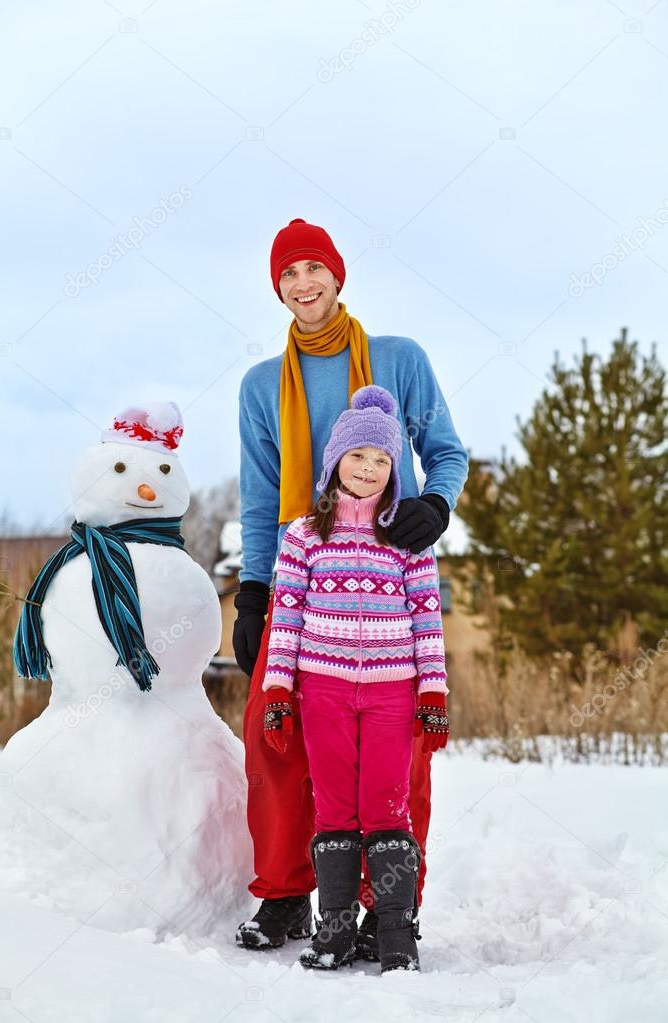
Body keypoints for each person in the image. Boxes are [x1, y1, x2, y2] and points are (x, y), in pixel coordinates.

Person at [234, 218, 468, 958]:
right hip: (304, 581)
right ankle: (286, 893)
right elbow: (259, 493)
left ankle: (390, 904)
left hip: (388, 585)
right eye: (289, 274)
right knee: (274, 741)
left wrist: (435, 505)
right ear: (278, 288)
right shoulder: (260, 386)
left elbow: (446, 452)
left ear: (338, 275)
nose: (303, 284)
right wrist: (251, 589)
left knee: (399, 758)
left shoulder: (399, 360)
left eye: (315, 269)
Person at [261, 384, 450, 973]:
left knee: (388, 808)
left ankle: (397, 934)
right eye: (358, 457)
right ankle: (334, 932)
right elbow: (287, 613)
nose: (368, 469)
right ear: (335, 462)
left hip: (394, 693)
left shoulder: (408, 540)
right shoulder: (302, 535)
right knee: (335, 810)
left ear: (394, 471)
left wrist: (433, 691)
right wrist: (277, 688)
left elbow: (427, 616)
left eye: (382, 460)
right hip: (323, 692)